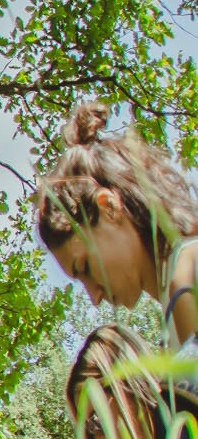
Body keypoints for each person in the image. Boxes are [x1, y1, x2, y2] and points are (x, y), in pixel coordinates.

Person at [35, 101, 198, 345]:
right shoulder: (172, 302)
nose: (94, 297)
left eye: (86, 267)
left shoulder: (187, 276)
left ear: (108, 206)